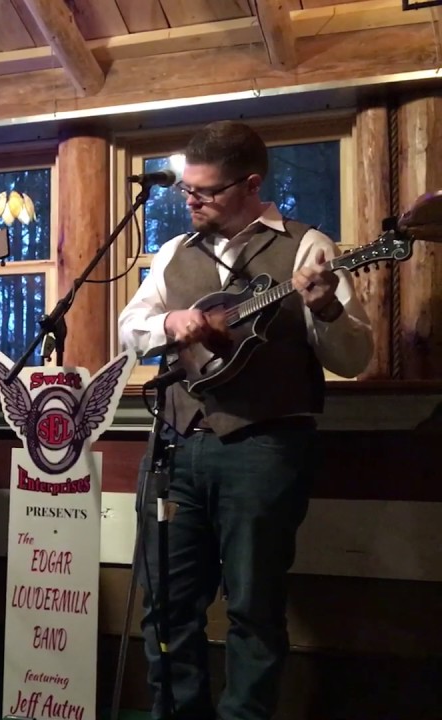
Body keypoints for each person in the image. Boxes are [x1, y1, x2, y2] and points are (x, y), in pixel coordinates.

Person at [117, 121, 372, 719]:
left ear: (250, 184)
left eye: (204, 192)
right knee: (168, 608)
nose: (191, 201)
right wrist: (169, 325)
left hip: (265, 450)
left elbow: (354, 360)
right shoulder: (176, 253)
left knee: (254, 610)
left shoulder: (310, 248)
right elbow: (130, 330)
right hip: (177, 447)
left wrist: (326, 307)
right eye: (186, 190)